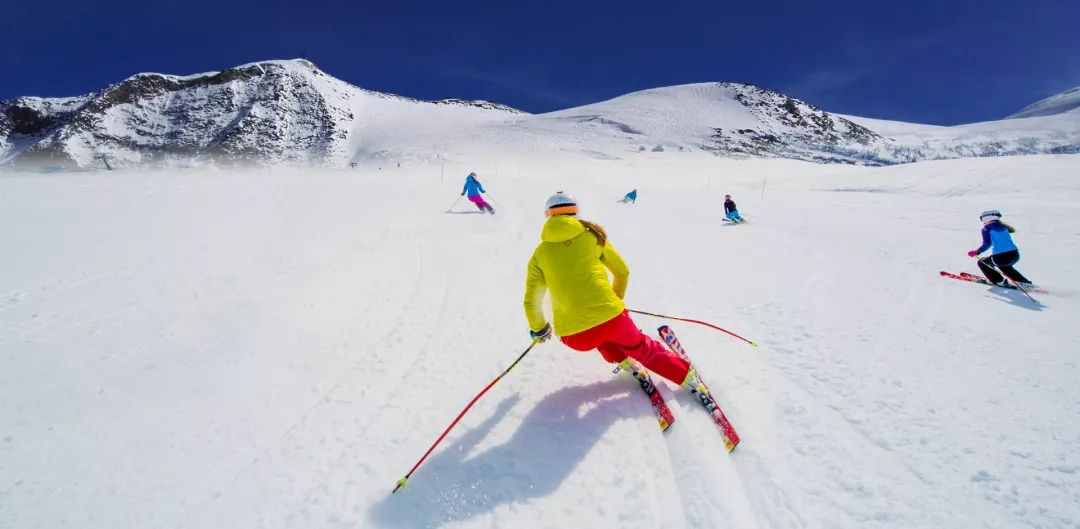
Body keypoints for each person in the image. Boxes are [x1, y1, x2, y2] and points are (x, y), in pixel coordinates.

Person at [522, 191, 704, 390]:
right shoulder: (592, 236)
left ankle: (624, 360)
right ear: (576, 212)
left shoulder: (539, 254)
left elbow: (531, 301)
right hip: (613, 320)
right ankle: (686, 376)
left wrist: (539, 329)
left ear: (548, 215)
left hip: (575, 337)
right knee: (641, 346)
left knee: (602, 338)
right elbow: (622, 272)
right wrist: (614, 302)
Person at [967, 209, 1032, 286]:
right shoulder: (1003, 227)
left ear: (986, 218)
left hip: (1001, 258)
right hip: (1015, 255)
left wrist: (977, 252)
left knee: (981, 263)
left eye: (981, 218)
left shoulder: (987, 228)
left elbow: (987, 243)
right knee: (1004, 266)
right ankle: (1024, 282)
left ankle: (999, 281)